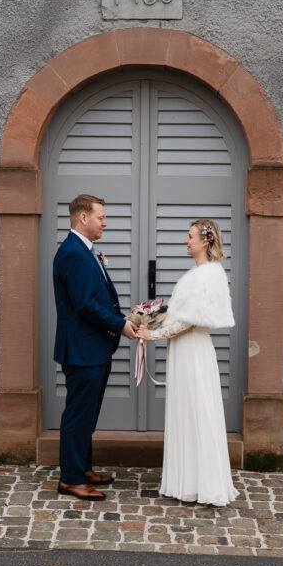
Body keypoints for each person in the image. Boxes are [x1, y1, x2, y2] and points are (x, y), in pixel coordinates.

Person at [136, 219, 239, 506]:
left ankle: (203, 484)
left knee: (197, 410)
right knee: (187, 410)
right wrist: (148, 317)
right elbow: (179, 315)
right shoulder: (198, 274)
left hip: (193, 350)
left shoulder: (208, 274)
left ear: (205, 240)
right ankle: (188, 480)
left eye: (190, 236)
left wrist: (153, 334)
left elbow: (189, 322)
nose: (186, 240)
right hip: (184, 350)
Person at [53, 194, 138, 501]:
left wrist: (121, 318)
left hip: (94, 348)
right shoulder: (74, 253)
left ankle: (82, 467)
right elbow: (86, 304)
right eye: (101, 217)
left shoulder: (84, 252)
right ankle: (71, 479)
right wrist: (120, 325)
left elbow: (96, 299)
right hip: (82, 349)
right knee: (78, 415)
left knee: (87, 414)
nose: (105, 222)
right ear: (83, 218)